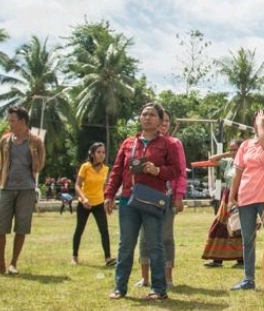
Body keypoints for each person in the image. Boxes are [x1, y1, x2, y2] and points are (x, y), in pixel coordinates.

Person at [104, 103, 185, 300]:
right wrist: (109, 194)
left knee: (155, 244)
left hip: (153, 199)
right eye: (144, 114)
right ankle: (119, 288)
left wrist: (158, 171)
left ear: (159, 120)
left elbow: (176, 170)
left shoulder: (168, 144)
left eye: (152, 115)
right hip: (128, 199)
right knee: (125, 244)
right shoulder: (128, 143)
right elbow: (116, 170)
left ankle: (158, 288)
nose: (147, 117)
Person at [0, 106, 44, 275]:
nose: (10, 124)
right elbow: (2, 162)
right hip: (7, 187)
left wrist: (35, 156)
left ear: (23, 121)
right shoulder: (5, 141)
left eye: (12, 120)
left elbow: (40, 166)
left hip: (26, 188)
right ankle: (0, 263)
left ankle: (13, 263)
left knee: (21, 227)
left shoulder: (36, 141)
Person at [230, 109, 264, 291]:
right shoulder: (245, 145)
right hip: (246, 197)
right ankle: (248, 279)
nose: (263, 124)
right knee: (248, 239)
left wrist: (260, 127)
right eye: (260, 121)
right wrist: (231, 198)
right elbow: (237, 173)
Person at [135, 111, 186, 289]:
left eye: (167, 121)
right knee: (144, 236)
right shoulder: (143, 142)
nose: (164, 124)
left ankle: (168, 277)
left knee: (165, 236)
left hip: (168, 196)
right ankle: (145, 277)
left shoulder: (174, 143)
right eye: (161, 120)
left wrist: (179, 195)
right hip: (145, 194)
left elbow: (180, 172)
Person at [200, 139, 242, 267]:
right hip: (227, 196)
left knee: (237, 228)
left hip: (240, 196)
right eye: (231, 149)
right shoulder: (228, 162)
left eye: (235, 149)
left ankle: (242, 260)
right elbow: (212, 159)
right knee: (219, 226)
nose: (233, 152)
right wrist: (227, 154)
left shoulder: (246, 161)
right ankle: (217, 259)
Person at [72, 142, 114, 267]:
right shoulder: (85, 167)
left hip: (99, 202)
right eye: (99, 152)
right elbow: (77, 186)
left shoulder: (106, 169)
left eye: (103, 152)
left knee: (104, 230)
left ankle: (108, 258)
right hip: (85, 202)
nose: (101, 155)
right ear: (92, 153)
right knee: (80, 229)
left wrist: (108, 200)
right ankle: (74, 256)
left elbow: (104, 187)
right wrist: (83, 199)